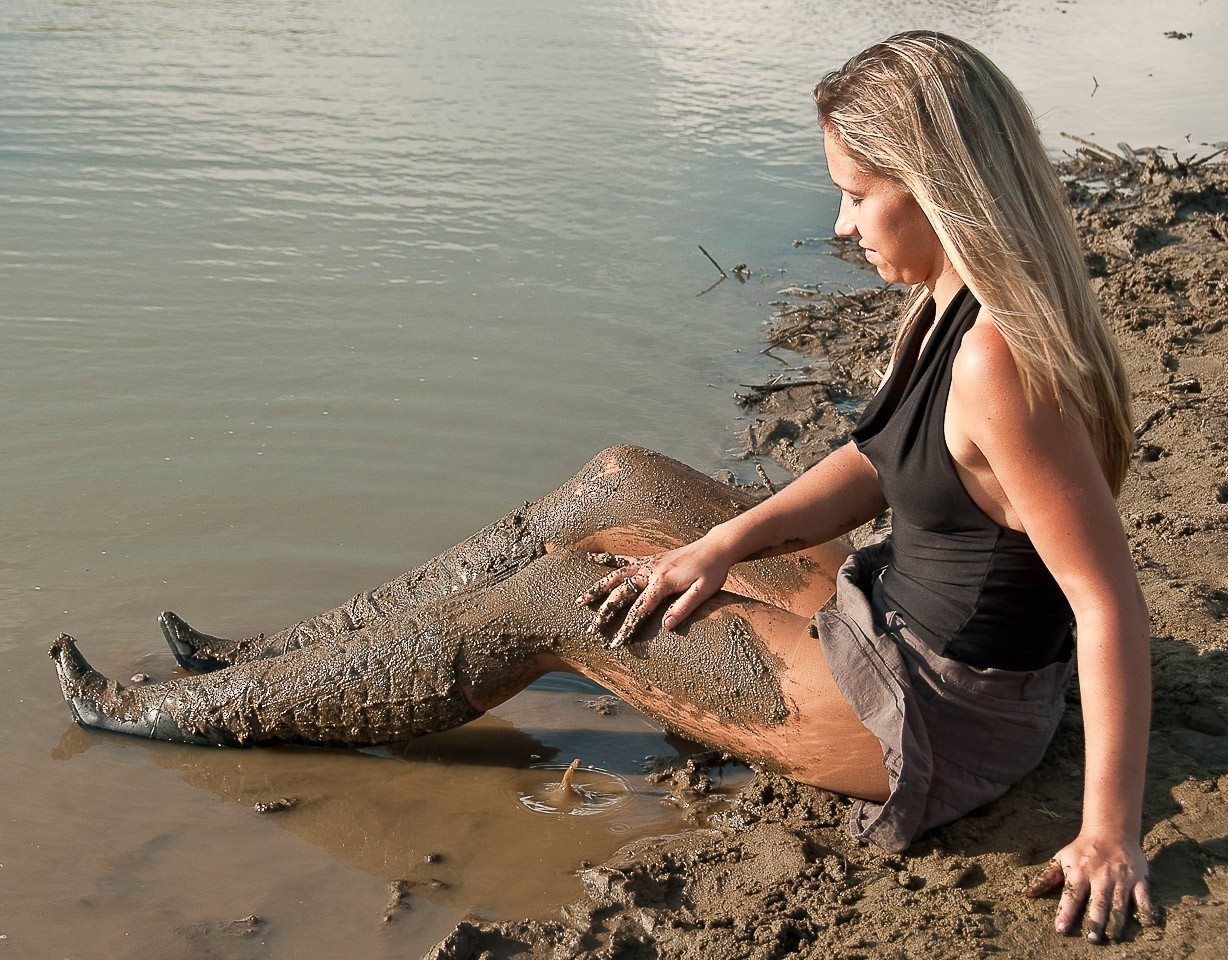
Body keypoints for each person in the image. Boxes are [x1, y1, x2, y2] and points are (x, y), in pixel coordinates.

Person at [50, 30, 1153, 944]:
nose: (839, 227)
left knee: (551, 599)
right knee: (624, 480)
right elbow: (876, 462)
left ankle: (183, 713)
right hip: (886, 614)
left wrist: (1108, 827)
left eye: (857, 197)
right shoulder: (950, 299)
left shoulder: (1001, 362)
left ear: (940, 187)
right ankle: (269, 660)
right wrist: (721, 547)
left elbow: (1107, 605)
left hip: (923, 720)